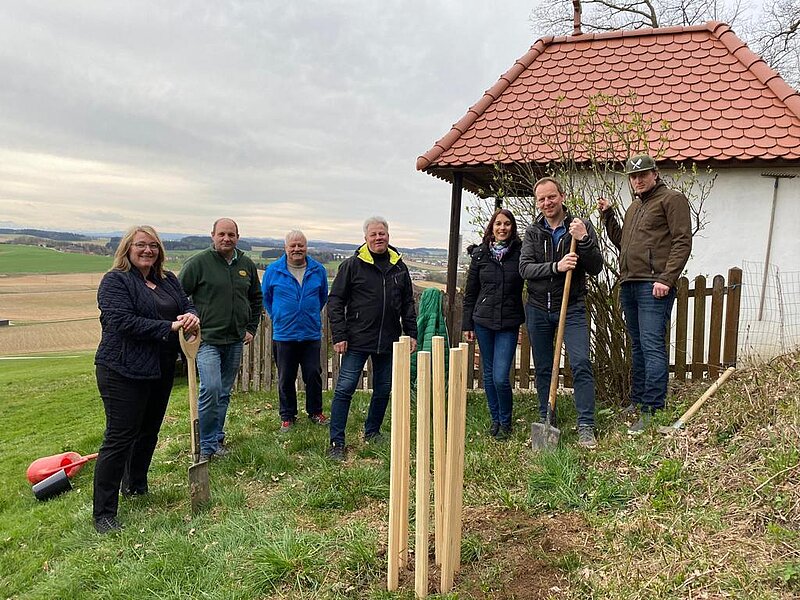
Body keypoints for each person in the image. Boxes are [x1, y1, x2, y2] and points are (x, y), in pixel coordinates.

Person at [93, 226, 200, 533]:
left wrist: (190, 316)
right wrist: (169, 327)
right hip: (122, 369)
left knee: (148, 432)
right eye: (141, 244)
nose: (147, 250)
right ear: (128, 248)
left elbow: (186, 305)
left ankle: (136, 485)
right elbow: (121, 321)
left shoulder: (168, 280)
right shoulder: (115, 281)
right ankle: (104, 513)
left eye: (153, 245)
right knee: (120, 437)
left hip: (160, 368)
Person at [598, 154, 692, 434]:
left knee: (651, 346)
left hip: (654, 285)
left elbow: (682, 241)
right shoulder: (634, 208)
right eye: (633, 176)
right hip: (630, 283)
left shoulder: (672, 199)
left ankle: (652, 408)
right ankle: (638, 401)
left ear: (655, 174)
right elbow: (622, 242)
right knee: (638, 346)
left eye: (643, 175)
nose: (638, 180)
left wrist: (666, 278)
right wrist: (608, 216)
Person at [520, 177, 604, 449]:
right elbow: (525, 268)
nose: (547, 203)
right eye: (542, 199)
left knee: (580, 363)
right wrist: (557, 267)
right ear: (537, 202)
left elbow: (596, 267)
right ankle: (547, 416)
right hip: (538, 308)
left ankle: (586, 425)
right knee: (544, 367)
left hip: (572, 306)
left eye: (551, 197)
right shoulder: (533, 232)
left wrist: (584, 239)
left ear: (562, 196)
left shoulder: (579, 226)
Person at [326, 216, 418, 461]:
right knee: (345, 389)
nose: (379, 238)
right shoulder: (352, 265)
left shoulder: (399, 266)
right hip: (356, 339)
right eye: (374, 234)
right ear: (365, 238)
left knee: (383, 389)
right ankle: (336, 442)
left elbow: (408, 303)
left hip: (389, 340)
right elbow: (335, 301)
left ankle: (373, 432)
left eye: (382, 234)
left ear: (388, 236)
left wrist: (411, 333)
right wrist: (339, 334)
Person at [178, 218, 263, 459]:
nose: (226, 239)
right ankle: (205, 446)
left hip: (235, 339)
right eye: (222, 234)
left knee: (224, 392)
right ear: (212, 236)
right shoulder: (198, 263)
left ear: (238, 237)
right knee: (212, 389)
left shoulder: (245, 264)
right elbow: (178, 295)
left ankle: (217, 439)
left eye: (231, 235)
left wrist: (250, 328)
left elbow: (256, 298)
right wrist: (188, 323)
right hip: (206, 340)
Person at [462, 209, 525, 440]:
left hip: (508, 322)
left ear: (512, 228)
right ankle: (495, 419)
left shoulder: (521, 253)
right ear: (492, 227)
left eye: (507, 224)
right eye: (498, 224)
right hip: (483, 321)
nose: (502, 228)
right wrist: (467, 324)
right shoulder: (480, 254)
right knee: (488, 374)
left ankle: (506, 422)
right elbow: (470, 292)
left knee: (500, 376)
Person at [262, 230, 329, 432]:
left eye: (301, 245)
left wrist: (306, 313)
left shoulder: (318, 270)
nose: (297, 249)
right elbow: (266, 298)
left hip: (310, 333)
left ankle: (315, 412)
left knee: (313, 374)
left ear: (306, 247)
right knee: (286, 377)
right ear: (286, 248)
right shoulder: (274, 270)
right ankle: (288, 416)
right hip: (284, 334)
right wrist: (279, 315)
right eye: (293, 246)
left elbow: (322, 297)